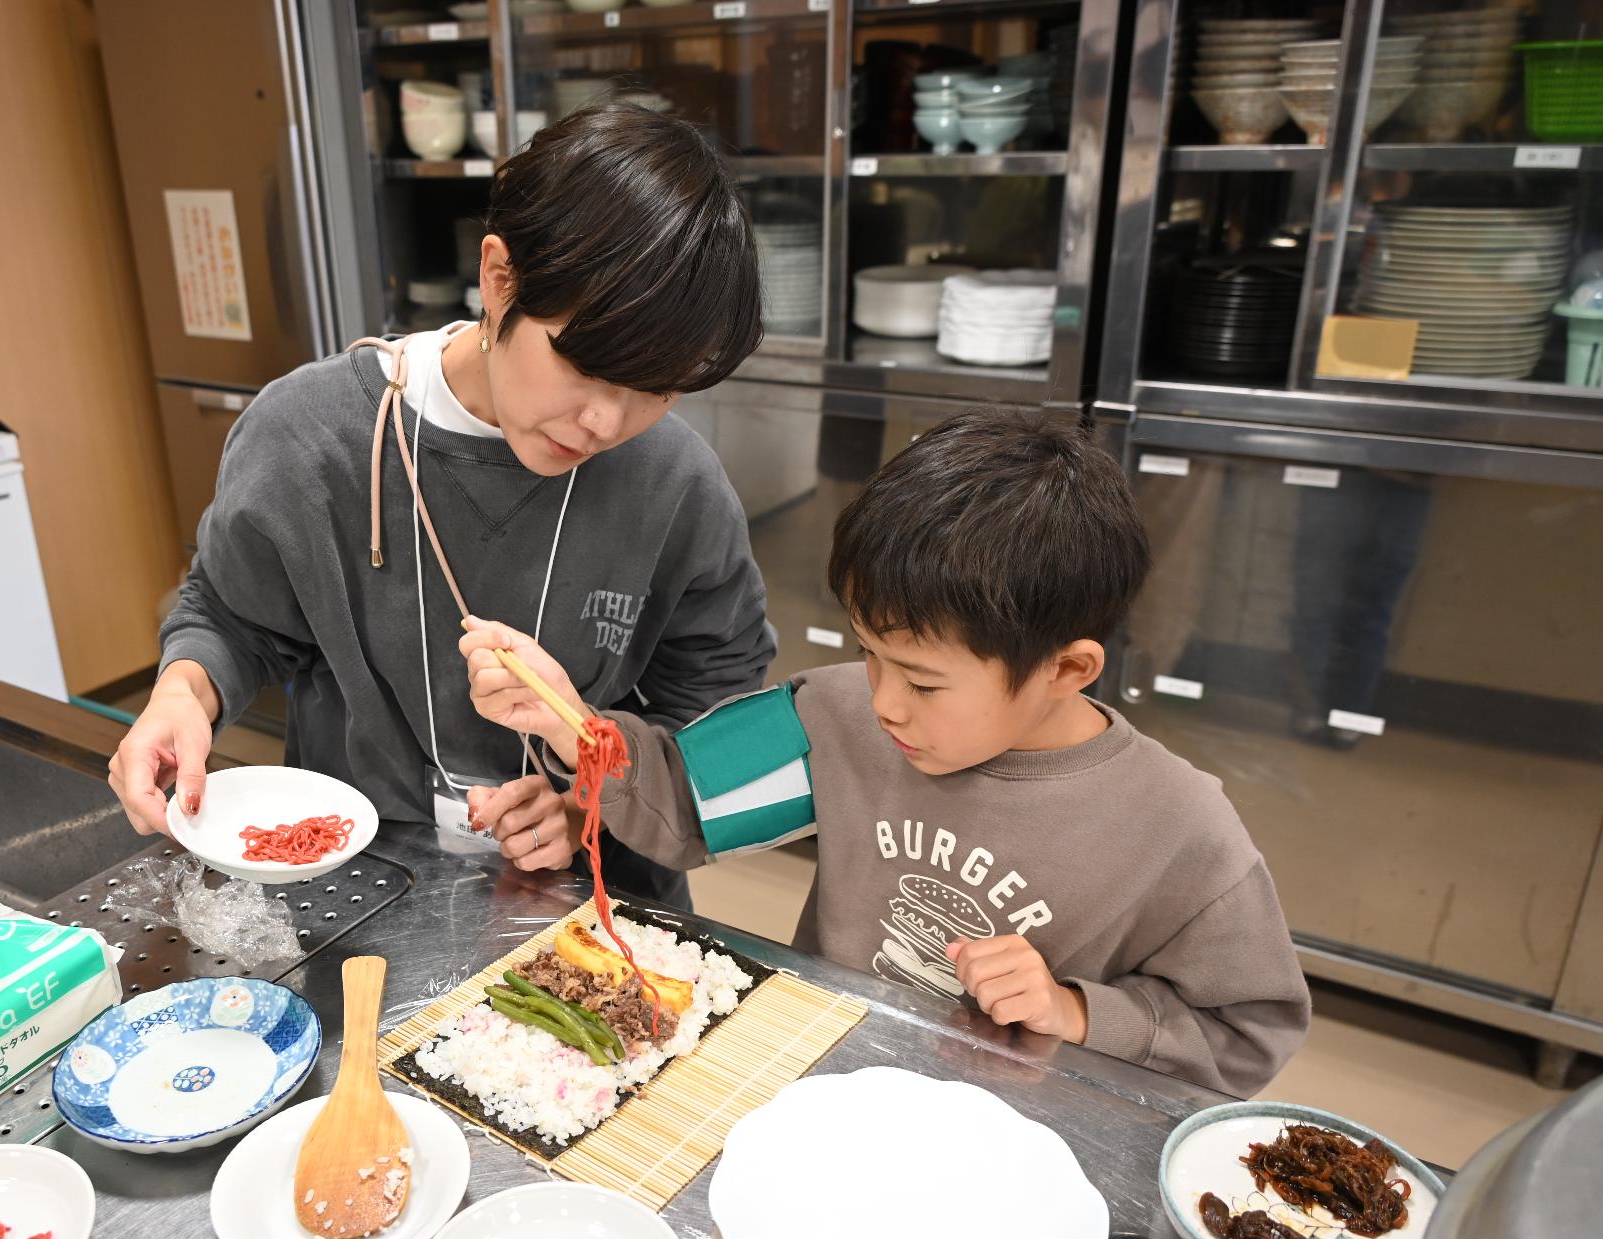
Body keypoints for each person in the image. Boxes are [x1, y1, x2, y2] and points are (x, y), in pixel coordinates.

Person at [460, 410, 1312, 1096]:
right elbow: (686, 801)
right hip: (827, 1086)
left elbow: (1244, 1035)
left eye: (924, 681)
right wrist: (573, 722)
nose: (883, 701)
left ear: (1068, 668)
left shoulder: (1180, 828)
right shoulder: (836, 715)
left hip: (1014, 1136)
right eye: (869, 652)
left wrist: (1076, 1009)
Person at [109, 103, 775, 903]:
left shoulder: (677, 483)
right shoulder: (312, 437)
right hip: (361, 890)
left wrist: (590, 800)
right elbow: (230, 612)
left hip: (592, 903)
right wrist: (182, 693)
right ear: (501, 278)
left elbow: (721, 713)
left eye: (655, 388)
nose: (606, 422)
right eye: (586, 367)